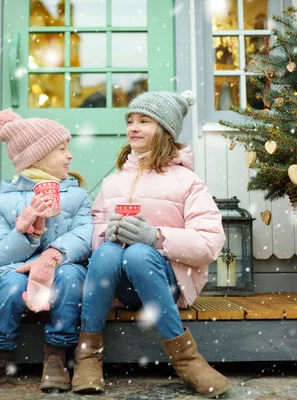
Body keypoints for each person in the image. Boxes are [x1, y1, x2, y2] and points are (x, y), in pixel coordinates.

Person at [71, 90, 232, 398]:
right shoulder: (113, 181)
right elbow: (91, 228)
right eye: (130, 120)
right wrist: (108, 232)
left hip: (168, 284)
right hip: (121, 288)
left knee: (141, 255)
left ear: (165, 130)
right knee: (106, 251)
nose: (133, 127)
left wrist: (158, 237)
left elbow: (210, 243)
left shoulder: (187, 182)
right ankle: (88, 356)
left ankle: (187, 361)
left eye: (144, 121)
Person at [0, 110, 93, 392]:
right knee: (9, 282)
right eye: (61, 149)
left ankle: (56, 353)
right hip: (18, 269)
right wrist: (22, 232)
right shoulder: (3, 202)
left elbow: (85, 236)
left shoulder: (78, 195)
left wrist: (53, 254)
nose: (69, 156)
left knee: (71, 278)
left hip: (62, 265)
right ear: (38, 158)